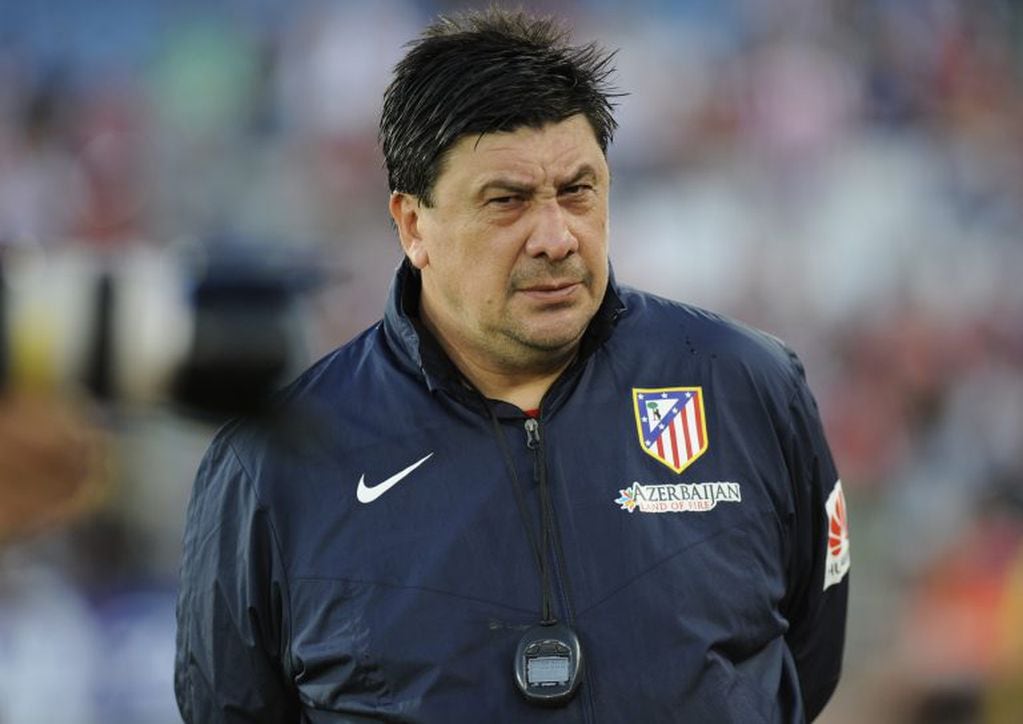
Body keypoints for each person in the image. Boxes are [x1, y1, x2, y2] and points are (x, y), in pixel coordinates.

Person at [174, 8, 850, 722]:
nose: (556, 237)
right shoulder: (272, 462)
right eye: (508, 201)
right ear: (412, 225)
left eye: (578, 190)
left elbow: (804, 659)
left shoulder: (747, 386)